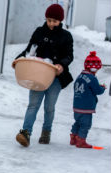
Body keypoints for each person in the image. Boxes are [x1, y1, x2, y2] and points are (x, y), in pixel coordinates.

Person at [15, 4, 74, 147]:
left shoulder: (66, 36)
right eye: (49, 20)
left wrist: (61, 64)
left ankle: (46, 131)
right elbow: (30, 49)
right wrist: (20, 58)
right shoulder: (39, 32)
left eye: (54, 21)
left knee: (49, 106)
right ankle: (25, 133)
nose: (51, 23)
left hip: (56, 77)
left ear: (60, 20)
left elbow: (69, 56)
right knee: (33, 105)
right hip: (38, 74)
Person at [70, 51, 106, 148]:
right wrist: (102, 88)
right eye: (97, 69)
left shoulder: (79, 76)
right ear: (94, 68)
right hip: (86, 107)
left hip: (77, 106)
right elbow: (98, 91)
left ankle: (73, 137)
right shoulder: (92, 78)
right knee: (86, 124)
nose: (97, 71)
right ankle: (81, 140)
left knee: (77, 122)